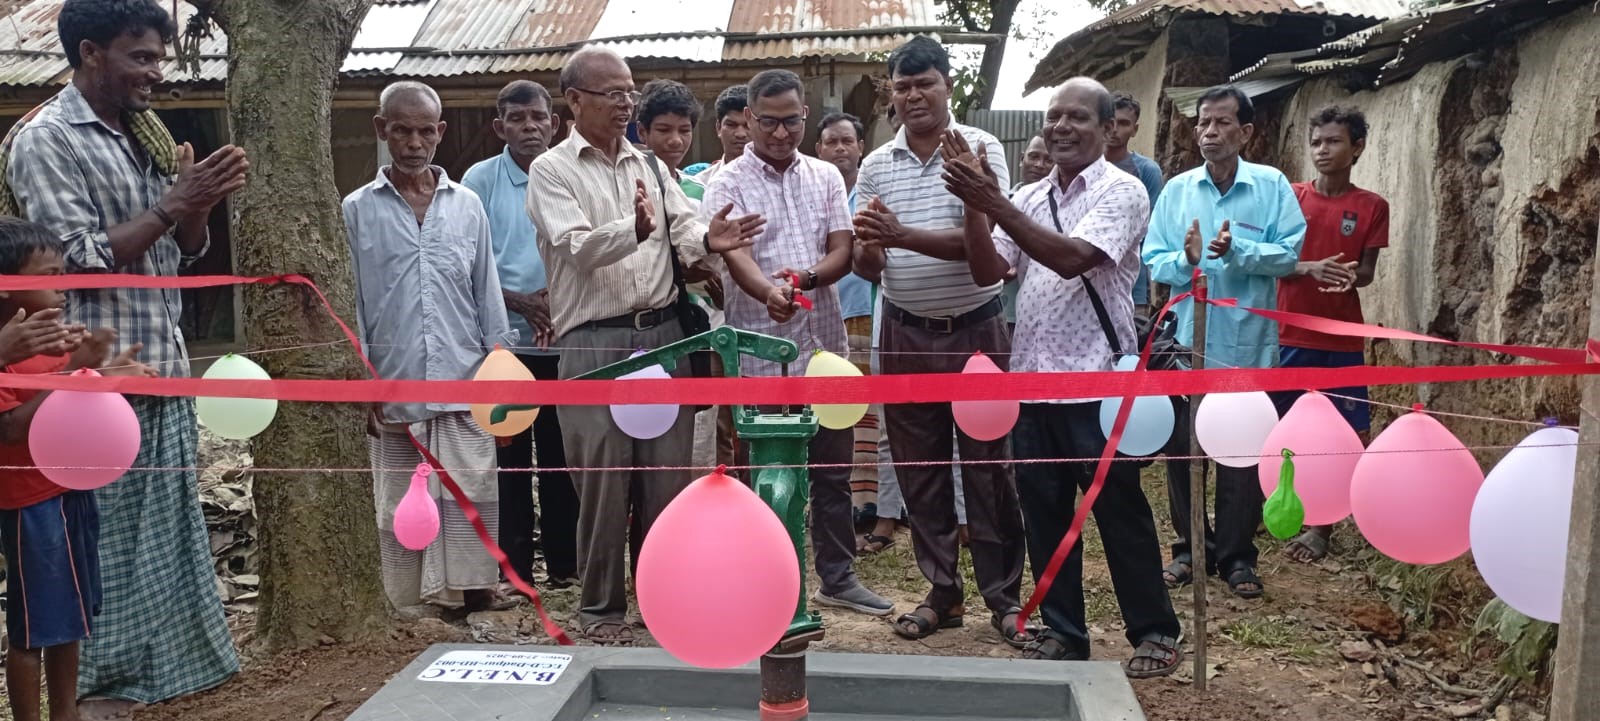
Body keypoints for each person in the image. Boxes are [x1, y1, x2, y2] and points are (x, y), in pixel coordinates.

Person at [3, 0, 246, 708]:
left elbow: (181, 252)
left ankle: (166, 672)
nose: (156, 73)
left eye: (160, 58)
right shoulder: (48, 139)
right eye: (140, 57)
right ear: (88, 53)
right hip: (88, 390)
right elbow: (74, 263)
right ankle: (102, 686)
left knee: (158, 545)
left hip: (160, 364)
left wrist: (195, 208)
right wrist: (174, 204)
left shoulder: (142, 132)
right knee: (93, 551)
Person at [943, 78, 1183, 676]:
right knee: (1045, 513)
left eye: (1077, 117)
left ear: (1107, 130)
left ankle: (1154, 632)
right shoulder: (1026, 196)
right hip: (1032, 382)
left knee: (1119, 508)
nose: (1061, 127)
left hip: (1098, 384)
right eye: (1053, 117)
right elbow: (987, 270)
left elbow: (1073, 259)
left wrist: (992, 202)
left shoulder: (1122, 191)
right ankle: (1064, 633)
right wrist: (977, 205)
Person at [525, 46, 764, 645]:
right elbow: (575, 246)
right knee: (602, 486)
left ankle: (662, 600)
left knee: (666, 481)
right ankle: (601, 611)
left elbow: (683, 230)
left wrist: (712, 237)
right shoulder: (551, 170)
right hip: (592, 345)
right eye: (611, 93)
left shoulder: (650, 166)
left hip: (662, 339)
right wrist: (629, 231)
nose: (624, 102)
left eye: (629, 91)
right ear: (574, 100)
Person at [854, 36, 1029, 645]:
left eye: (924, 82)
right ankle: (942, 594)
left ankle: (1004, 600)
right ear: (892, 95)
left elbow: (984, 253)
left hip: (976, 331)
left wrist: (900, 234)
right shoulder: (875, 164)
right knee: (920, 469)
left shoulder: (979, 149)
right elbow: (867, 259)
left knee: (989, 469)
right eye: (902, 87)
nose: (913, 95)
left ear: (947, 85)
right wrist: (871, 246)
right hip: (903, 332)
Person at [706, 70, 892, 617]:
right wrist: (768, 292)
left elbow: (842, 248)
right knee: (761, 472)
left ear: (804, 115)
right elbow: (732, 253)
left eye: (791, 121)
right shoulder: (728, 182)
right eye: (768, 122)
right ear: (748, 120)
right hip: (757, 346)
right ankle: (760, 580)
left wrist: (807, 281)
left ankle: (837, 575)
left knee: (832, 467)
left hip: (822, 345)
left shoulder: (826, 178)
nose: (781, 133)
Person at [344, 81, 517, 612]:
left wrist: (501, 378)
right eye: (402, 130)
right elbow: (353, 299)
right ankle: (408, 600)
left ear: (440, 133)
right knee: (401, 496)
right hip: (394, 380)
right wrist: (363, 379)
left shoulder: (466, 205)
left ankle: (475, 587)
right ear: (382, 130)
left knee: (474, 484)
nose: (414, 142)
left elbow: (486, 292)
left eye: (425, 131)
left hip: (465, 376)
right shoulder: (356, 209)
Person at [1143, 85, 1306, 599]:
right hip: (1187, 342)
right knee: (1183, 451)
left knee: (1240, 454)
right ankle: (1190, 550)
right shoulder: (1178, 191)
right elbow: (1154, 257)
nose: (1208, 133)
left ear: (1246, 132)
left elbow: (1288, 255)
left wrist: (1239, 250)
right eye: (1202, 124)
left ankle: (1237, 557)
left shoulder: (1271, 185)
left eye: (1220, 123)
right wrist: (1187, 261)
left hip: (1246, 346)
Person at [0, 218, 161, 721]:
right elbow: (13, 428)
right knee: (32, 629)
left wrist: (112, 377)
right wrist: (73, 377)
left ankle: (64, 713)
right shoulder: (7, 354)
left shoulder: (57, 344)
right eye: (51, 275)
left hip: (70, 490)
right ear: (10, 288)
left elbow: (74, 406)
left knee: (71, 617)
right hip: (29, 504)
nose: (65, 285)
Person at [460, 80, 580, 591]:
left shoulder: (571, 174)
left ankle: (565, 566)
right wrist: (520, 300)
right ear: (499, 126)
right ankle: (513, 569)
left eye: (538, 117)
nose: (529, 127)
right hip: (504, 347)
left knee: (562, 456)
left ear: (554, 123)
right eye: (517, 118)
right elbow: (469, 263)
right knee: (508, 459)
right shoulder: (479, 180)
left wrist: (556, 301)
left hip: (567, 339)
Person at [1275, 105, 1387, 562]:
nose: (1323, 150)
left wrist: (1350, 277)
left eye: (1334, 141)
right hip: (1287, 333)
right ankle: (1278, 505)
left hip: (1341, 339)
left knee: (1341, 433)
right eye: (1317, 142)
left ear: (1356, 148)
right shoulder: (1291, 198)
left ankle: (1321, 526)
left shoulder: (1371, 206)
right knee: (1280, 429)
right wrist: (1308, 267)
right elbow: (1274, 259)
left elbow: (1367, 272)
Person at [636, 78, 735, 473]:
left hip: (702, 326)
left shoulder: (700, 189)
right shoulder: (628, 185)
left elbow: (712, 255)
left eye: (684, 130)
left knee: (708, 428)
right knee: (654, 430)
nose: (675, 141)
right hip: (651, 326)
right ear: (642, 132)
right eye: (663, 130)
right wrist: (683, 268)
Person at [816, 112, 883, 527]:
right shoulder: (818, 194)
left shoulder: (870, 194)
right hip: (827, 315)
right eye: (831, 142)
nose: (840, 149)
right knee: (835, 407)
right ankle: (839, 499)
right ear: (819, 149)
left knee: (869, 410)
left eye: (847, 141)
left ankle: (872, 503)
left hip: (866, 312)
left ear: (860, 147)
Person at [1106, 93, 1164, 316]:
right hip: (1086, 283)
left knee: (1129, 350)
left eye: (1124, 123)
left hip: (1132, 286)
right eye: (1111, 122)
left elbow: (1151, 231)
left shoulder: (1147, 171)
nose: (1115, 130)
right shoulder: (1084, 168)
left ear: (1135, 129)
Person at [690, 84, 751, 191]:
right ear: (718, 128)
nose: (740, 134)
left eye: (748, 126)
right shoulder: (700, 184)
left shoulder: (778, 181)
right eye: (731, 125)